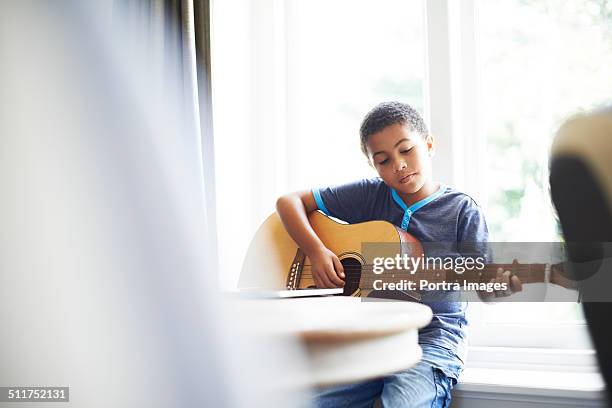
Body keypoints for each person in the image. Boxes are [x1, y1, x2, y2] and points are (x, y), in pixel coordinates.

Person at [276, 102, 523, 407]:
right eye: (383, 160)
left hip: (434, 341)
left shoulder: (462, 210)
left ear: (429, 144)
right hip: (368, 338)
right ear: (373, 166)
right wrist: (316, 252)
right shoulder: (370, 194)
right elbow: (289, 202)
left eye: (406, 150)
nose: (399, 165)